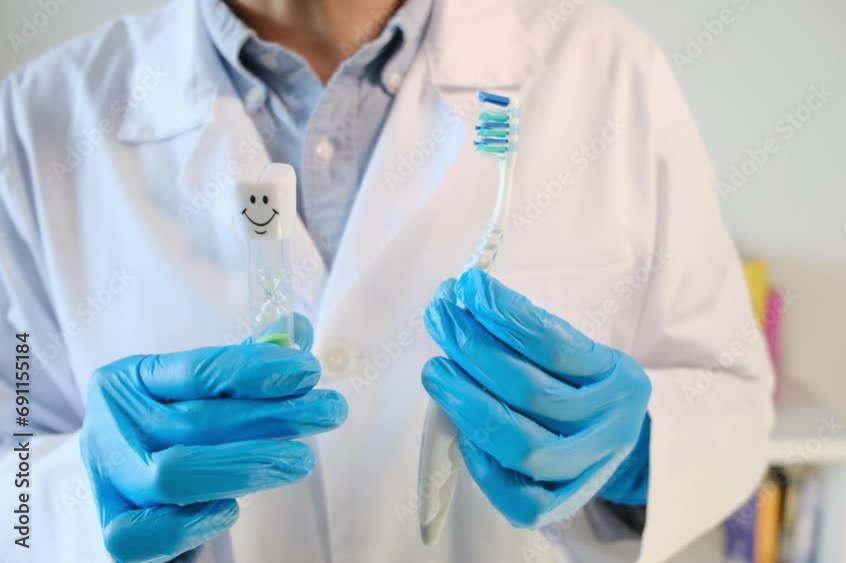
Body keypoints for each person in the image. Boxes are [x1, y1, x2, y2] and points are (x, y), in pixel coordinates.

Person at [0, 0, 775, 561]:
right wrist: (80, 491)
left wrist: (642, 447)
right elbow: (15, 483)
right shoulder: (38, 121)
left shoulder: (611, 70)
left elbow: (733, 396)